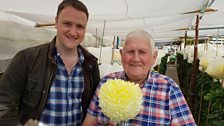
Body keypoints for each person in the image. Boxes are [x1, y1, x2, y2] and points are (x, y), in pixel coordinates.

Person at [0, 0, 100, 125]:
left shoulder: (90, 65)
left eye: (80, 26)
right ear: (56, 22)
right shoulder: (28, 58)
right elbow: (4, 103)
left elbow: (94, 107)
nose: (73, 32)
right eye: (67, 24)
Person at [83, 30, 196, 126]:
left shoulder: (168, 88)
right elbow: (89, 122)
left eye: (142, 52)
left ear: (154, 56)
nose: (136, 58)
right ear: (122, 55)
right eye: (130, 52)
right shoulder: (107, 83)